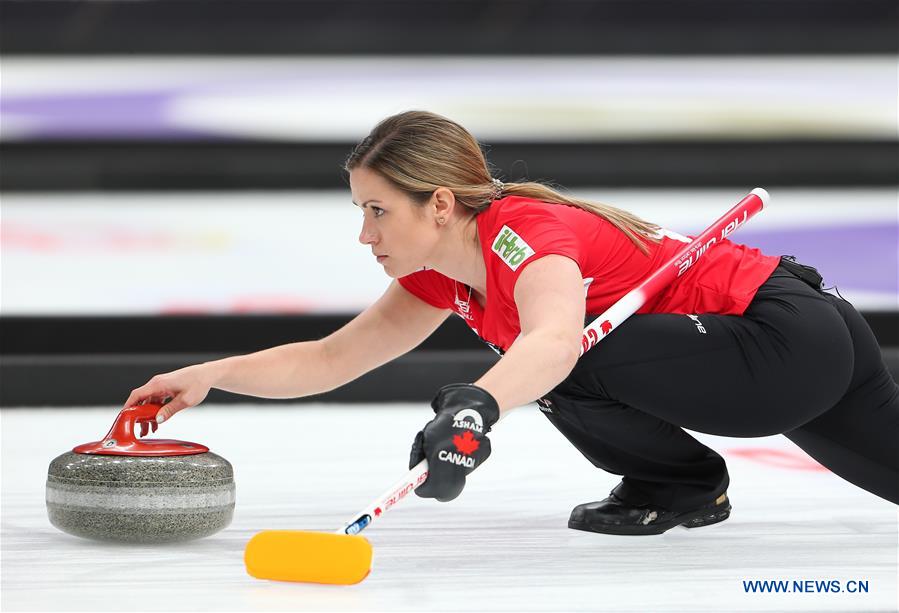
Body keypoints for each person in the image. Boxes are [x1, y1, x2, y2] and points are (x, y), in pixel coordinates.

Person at [124, 110, 899, 536]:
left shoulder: (522, 233)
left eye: (376, 210)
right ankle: (681, 485)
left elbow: (557, 340)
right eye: (360, 210)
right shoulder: (437, 272)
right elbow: (334, 357)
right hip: (799, 340)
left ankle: (680, 485)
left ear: (438, 204)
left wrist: (476, 407)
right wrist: (212, 374)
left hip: (783, 338)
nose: (366, 234)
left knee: (559, 360)